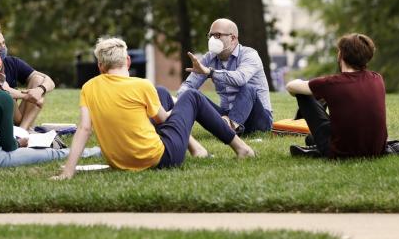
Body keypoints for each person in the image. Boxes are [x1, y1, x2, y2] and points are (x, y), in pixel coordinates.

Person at [54, 37, 254, 180]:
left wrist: (68, 172)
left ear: (100, 66)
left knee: (161, 92)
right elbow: (163, 119)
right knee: (192, 96)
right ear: (127, 61)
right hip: (161, 158)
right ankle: (241, 148)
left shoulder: (89, 87)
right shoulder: (141, 85)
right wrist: (179, 107)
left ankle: (197, 149)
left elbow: (84, 129)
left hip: (120, 162)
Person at [0, 50, 100, 169]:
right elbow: (8, 146)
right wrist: (20, 144)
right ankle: (94, 152)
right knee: (51, 154)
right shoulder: (2, 98)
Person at [285, 33, 388, 158]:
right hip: (376, 150)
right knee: (312, 138)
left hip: (341, 152)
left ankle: (318, 144)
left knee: (303, 94)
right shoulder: (377, 78)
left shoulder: (332, 83)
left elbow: (291, 86)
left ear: (342, 55)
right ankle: (315, 141)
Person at [179, 18, 272, 135]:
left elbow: (240, 78)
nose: (212, 39)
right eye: (210, 35)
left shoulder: (250, 54)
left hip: (258, 120)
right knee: (192, 95)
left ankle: (228, 128)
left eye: (217, 35)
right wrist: (179, 100)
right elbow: (189, 84)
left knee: (249, 88)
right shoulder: (209, 58)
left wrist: (210, 72)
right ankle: (180, 127)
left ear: (233, 38)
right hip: (226, 115)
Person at [0, 25, 54, 130]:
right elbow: (3, 89)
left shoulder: (11, 62)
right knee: (7, 96)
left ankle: (22, 131)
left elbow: (49, 81)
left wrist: (40, 89)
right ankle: (22, 132)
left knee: (38, 79)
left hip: (14, 117)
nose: (3, 48)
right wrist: (29, 96)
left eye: (3, 43)